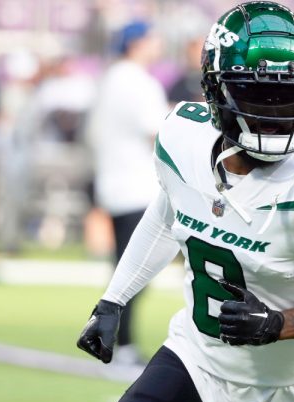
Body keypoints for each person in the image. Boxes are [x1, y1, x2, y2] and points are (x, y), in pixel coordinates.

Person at [77, 2, 294, 402]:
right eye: (256, 93)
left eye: (290, 95)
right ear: (216, 93)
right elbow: (168, 215)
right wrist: (113, 299)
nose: (272, 113)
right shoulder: (183, 140)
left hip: (283, 398)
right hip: (194, 363)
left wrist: (279, 324)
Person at [86, 19, 169, 365]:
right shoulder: (138, 82)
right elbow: (160, 133)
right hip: (137, 185)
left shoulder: (109, 79)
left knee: (125, 268)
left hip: (115, 181)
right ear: (137, 44)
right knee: (134, 271)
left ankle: (120, 342)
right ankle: (122, 344)